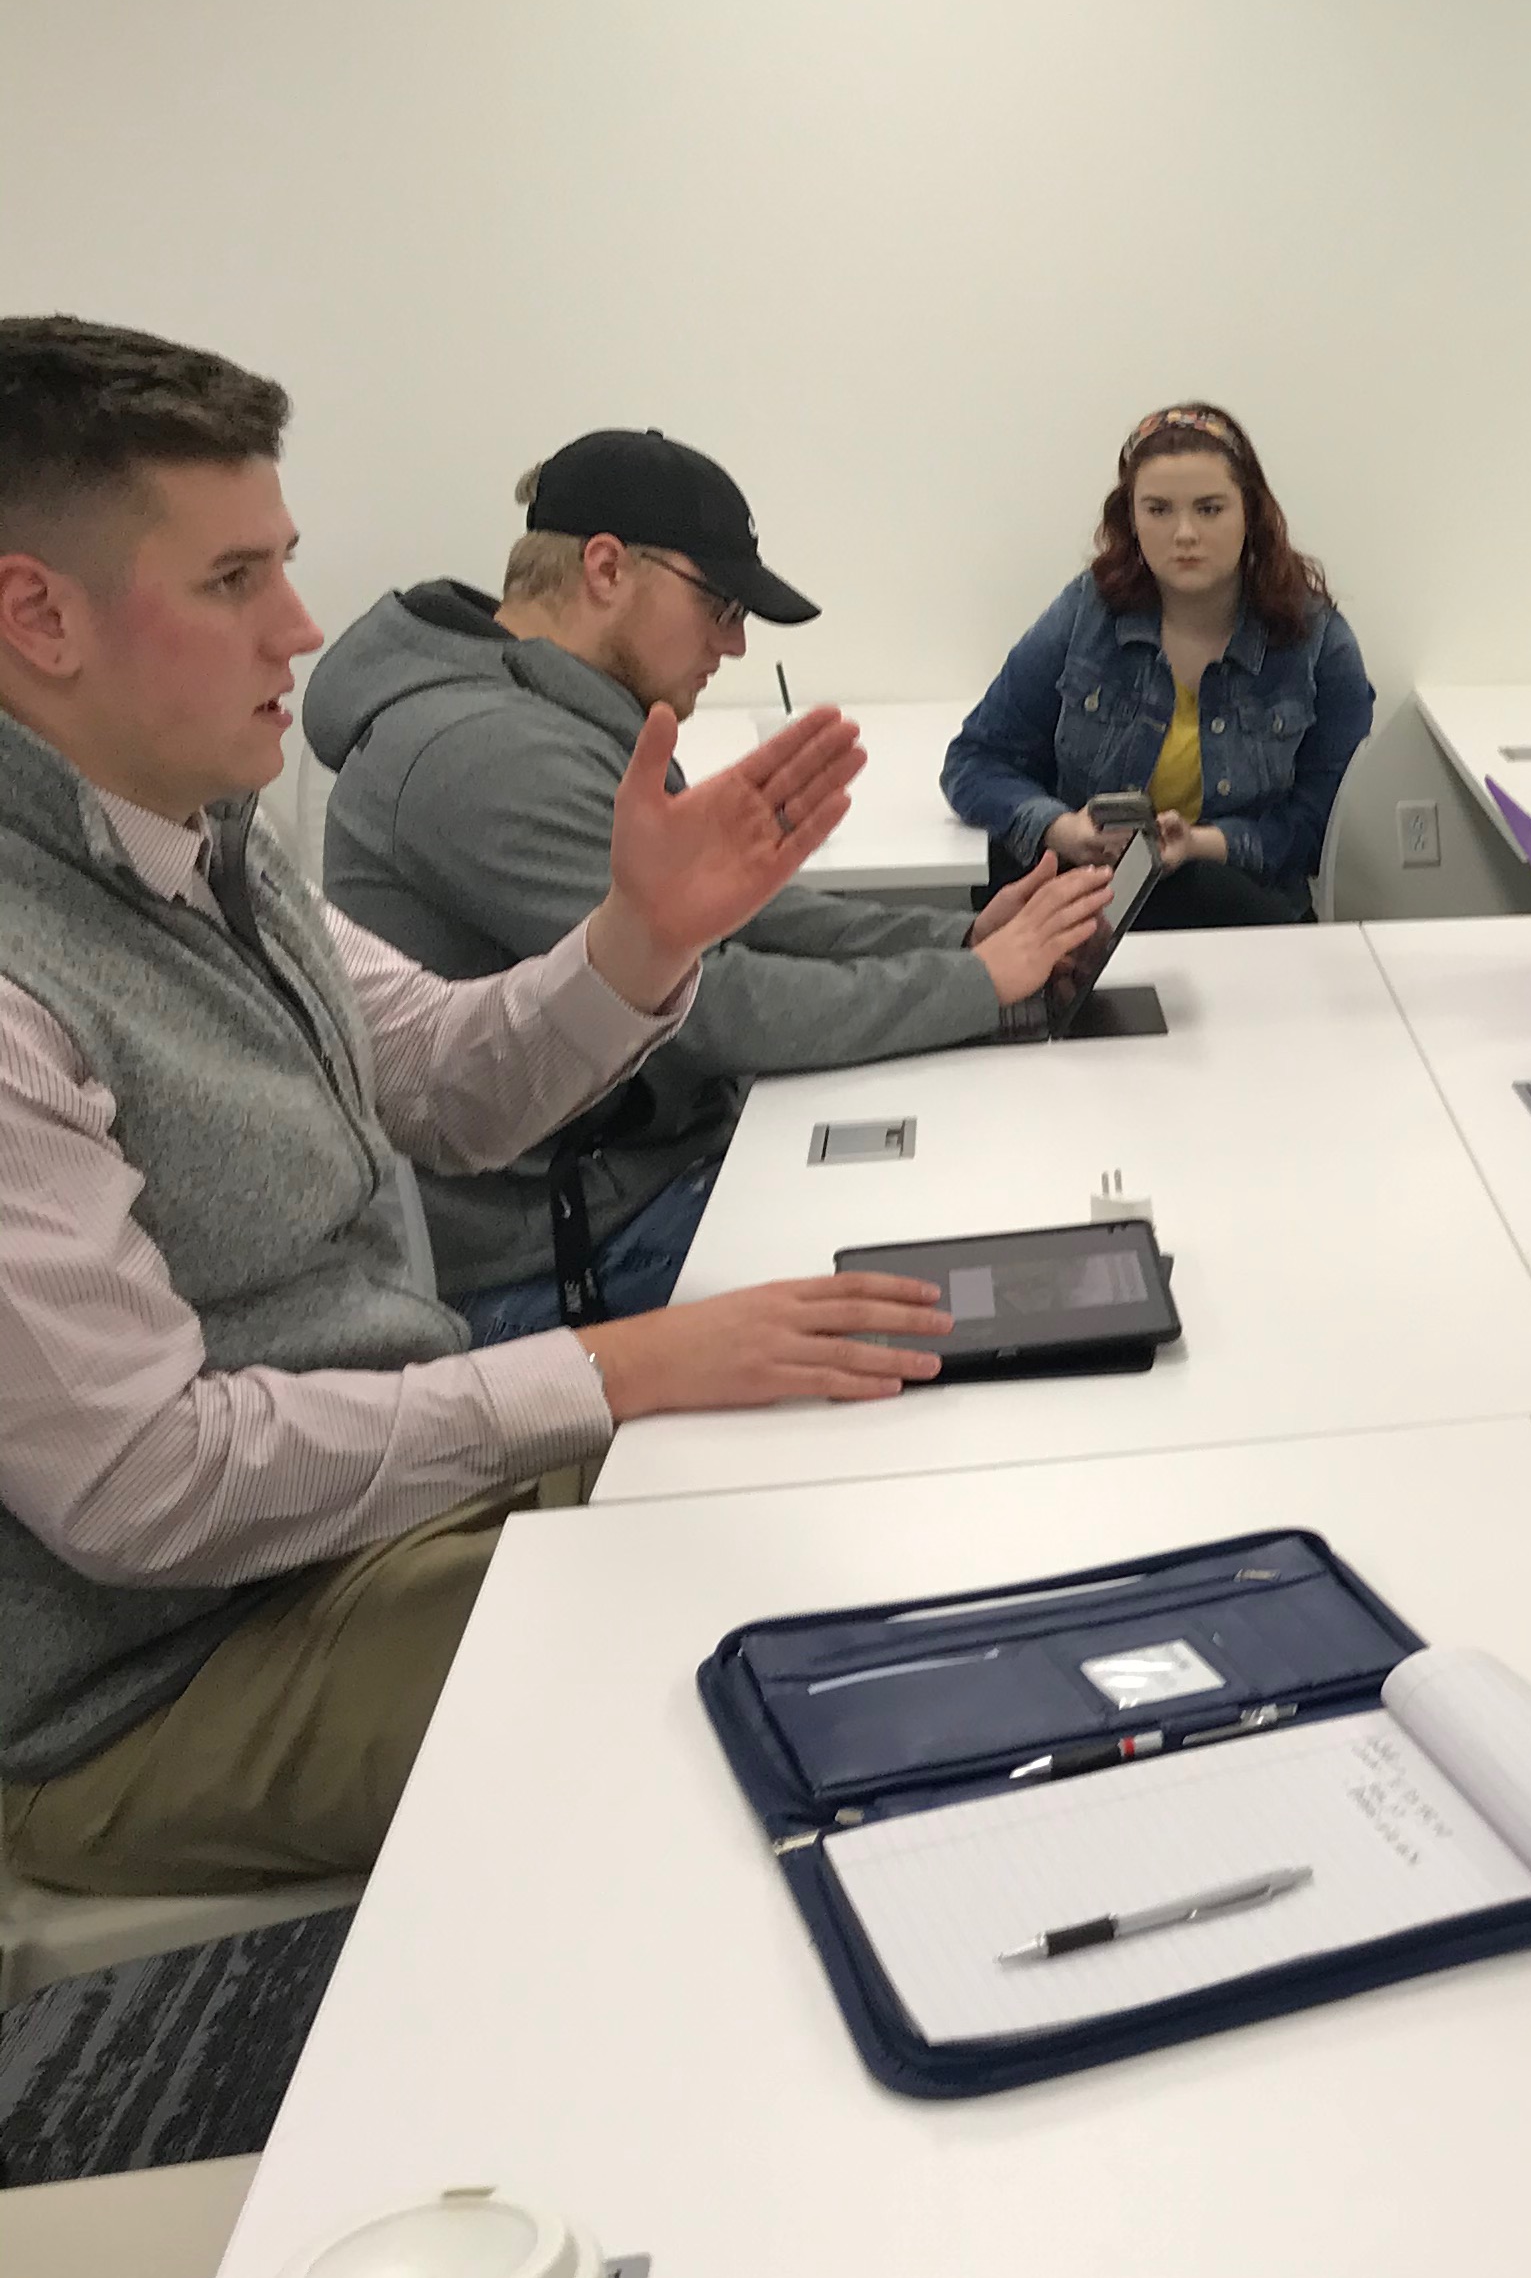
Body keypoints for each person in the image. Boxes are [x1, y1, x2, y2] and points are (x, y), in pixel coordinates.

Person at [0, 316, 961, 1895]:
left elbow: (444, 1078)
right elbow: (146, 1487)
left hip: (357, 1520)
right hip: (153, 1679)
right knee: (765, 1677)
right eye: (234, 581)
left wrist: (639, 943)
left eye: (281, 564)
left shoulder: (203, 837)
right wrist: (608, 1368)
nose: (300, 627)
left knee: (817, 1501)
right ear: (39, 615)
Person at [314, 431, 1109, 1340]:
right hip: (568, 1254)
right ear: (606, 568)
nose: (733, 644)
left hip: (643, 1179)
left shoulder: (549, 713)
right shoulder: (483, 754)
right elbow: (707, 1006)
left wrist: (957, 943)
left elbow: (727, 920)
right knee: (961, 1284)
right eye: (720, 607)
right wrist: (976, 984)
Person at [941, 402, 1371, 927]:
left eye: (1209, 509)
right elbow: (974, 761)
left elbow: (1326, 824)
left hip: (1246, 914)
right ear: (1131, 519)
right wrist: (1062, 829)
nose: (1184, 534)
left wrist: (1203, 844)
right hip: (1092, 906)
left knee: (1207, 888)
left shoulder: (1316, 639)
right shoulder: (1086, 613)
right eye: (1159, 510)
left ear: (1251, 515)